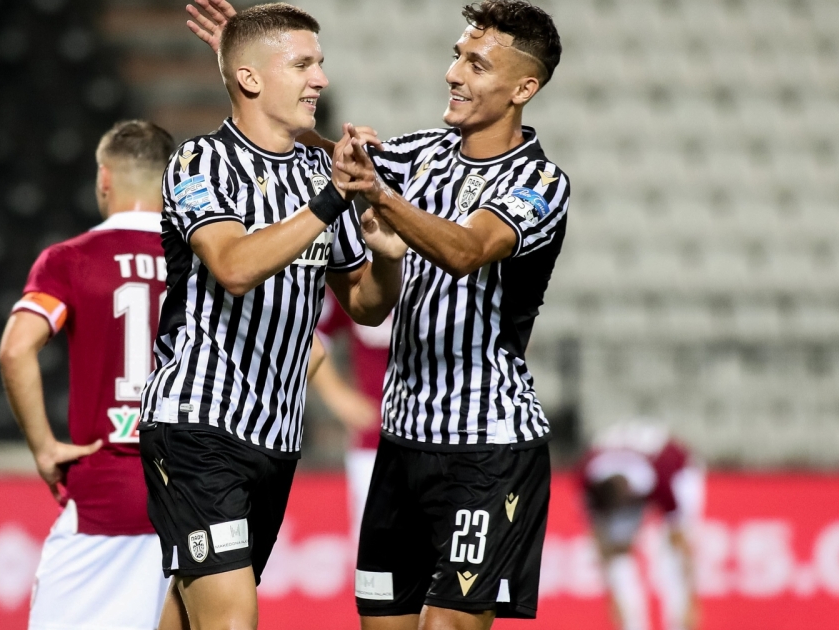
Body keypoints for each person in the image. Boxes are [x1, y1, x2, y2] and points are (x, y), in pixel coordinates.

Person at [187, 1, 569, 627]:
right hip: (400, 445)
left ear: (523, 88)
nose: (454, 74)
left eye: (476, 65)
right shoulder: (422, 154)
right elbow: (325, 154)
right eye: (457, 56)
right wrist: (249, 69)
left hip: (487, 449)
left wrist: (380, 196)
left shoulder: (540, 183)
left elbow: (467, 250)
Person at [137, 5, 408, 630]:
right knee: (232, 619)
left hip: (277, 438)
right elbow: (233, 266)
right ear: (251, 78)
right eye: (303, 64)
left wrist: (388, 259)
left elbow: (364, 303)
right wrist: (333, 198)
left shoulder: (317, 173)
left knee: (192, 610)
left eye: (320, 63)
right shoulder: (200, 162)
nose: (321, 79)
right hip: (198, 423)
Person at [0, 120, 176, 630]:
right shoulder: (209, 264)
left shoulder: (70, 260)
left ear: (104, 178)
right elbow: (309, 353)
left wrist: (43, 448)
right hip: (191, 498)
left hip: (104, 496)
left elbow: (15, 350)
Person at [580, 423, 704, 630]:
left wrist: (691, 600)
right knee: (618, 554)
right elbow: (601, 540)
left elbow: (681, 543)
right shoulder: (587, 478)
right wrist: (613, 597)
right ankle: (631, 625)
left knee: (671, 556)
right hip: (633, 468)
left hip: (678, 467)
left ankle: (679, 624)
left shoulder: (662, 477)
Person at [311, 290, 392, 538]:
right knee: (376, 548)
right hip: (373, 444)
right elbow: (309, 334)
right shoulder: (361, 277)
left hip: (441, 437)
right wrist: (337, 395)